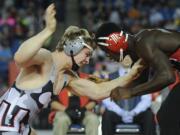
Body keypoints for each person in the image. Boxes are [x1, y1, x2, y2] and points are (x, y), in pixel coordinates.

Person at [0, 4, 141, 135]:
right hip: (5, 124)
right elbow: (19, 57)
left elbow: (98, 91)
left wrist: (131, 75)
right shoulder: (46, 59)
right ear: (73, 47)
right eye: (86, 54)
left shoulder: (67, 77)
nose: (87, 60)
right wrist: (48, 31)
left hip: (21, 126)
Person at [95, 22, 180, 135]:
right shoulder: (138, 50)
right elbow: (141, 81)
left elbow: (168, 77)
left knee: (166, 116)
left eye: (106, 51)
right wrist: (111, 88)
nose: (108, 56)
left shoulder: (143, 42)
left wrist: (130, 92)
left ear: (114, 42)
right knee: (166, 116)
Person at [101, 55, 156, 135]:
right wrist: (121, 112)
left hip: (136, 113)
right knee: (107, 115)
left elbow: (146, 99)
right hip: (117, 113)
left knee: (148, 115)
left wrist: (134, 112)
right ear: (119, 59)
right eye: (124, 56)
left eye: (129, 56)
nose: (127, 58)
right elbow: (106, 99)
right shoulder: (110, 77)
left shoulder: (140, 76)